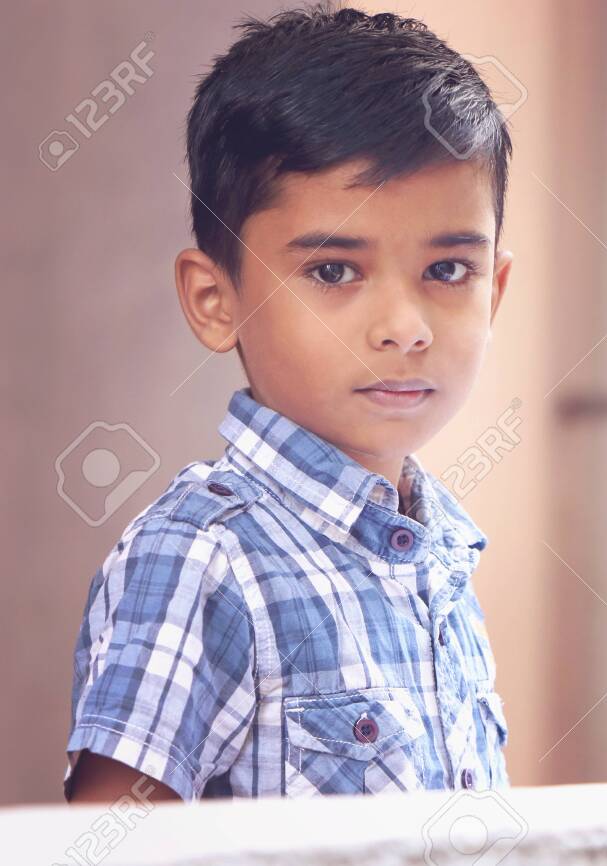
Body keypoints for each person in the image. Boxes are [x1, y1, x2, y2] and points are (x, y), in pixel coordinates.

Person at [64, 4, 515, 801]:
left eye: (447, 272)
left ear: (495, 291)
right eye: (335, 272)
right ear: (213, 299)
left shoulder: (441, 557)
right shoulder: (202, 558)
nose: (405, 329)